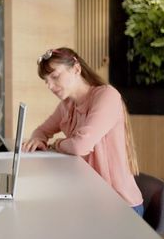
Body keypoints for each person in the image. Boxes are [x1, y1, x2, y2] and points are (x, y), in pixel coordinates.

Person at [22, 47, 143, 216]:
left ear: (76, 69)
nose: (49, 85)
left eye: (55, 76)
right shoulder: (67, 105)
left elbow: (80, 146)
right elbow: (40, 131)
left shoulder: (107, 96)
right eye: (46, 80)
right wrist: (39, 140)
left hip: (119, 206)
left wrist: (56, 144)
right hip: (90, 200)